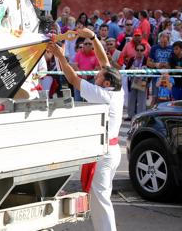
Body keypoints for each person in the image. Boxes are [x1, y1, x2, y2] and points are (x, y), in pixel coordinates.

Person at [47, 28, 123, 231]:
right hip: (111, 151)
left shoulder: (103, 95)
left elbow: (72, 79)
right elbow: (104, 60)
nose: (96, 76)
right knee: (100, 198)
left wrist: (60, 56)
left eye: (98, 76)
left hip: (106, 152)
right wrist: (93, 37)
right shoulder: (117, 90)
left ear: (106, 82)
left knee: (100, 199)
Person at [126, 44, 148, 120]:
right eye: (137, 50)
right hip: (132, 80)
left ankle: (141, 116)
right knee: (131, 98)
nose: (139, 52)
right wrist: (130, 69)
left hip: (142, 81)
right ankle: (130, 115)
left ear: (144, 51)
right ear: (135, 50)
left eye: (141, 50)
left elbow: (149, 71)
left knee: (141, 99)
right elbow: (126, 70)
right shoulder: (132, 59)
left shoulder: (146, 59)